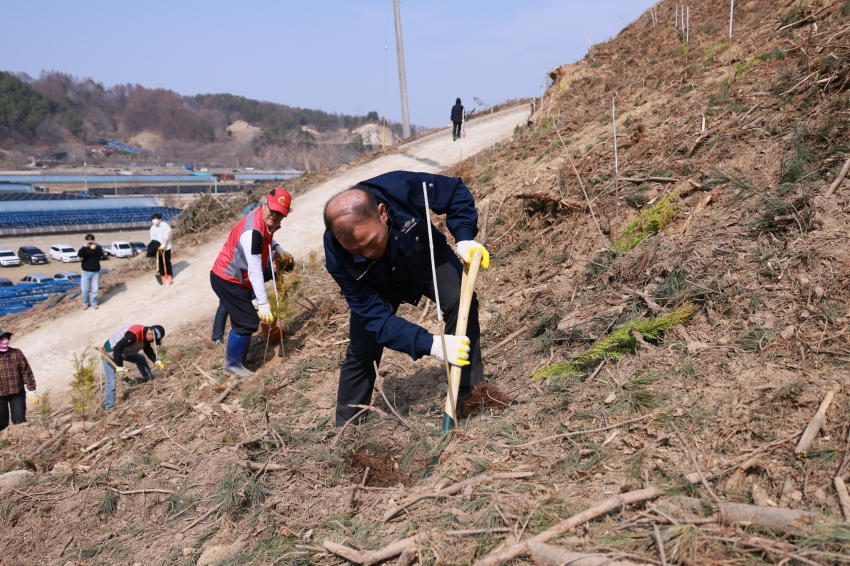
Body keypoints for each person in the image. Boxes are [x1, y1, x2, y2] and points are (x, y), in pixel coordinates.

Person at [323, 171, 489, 426]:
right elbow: (376, 319)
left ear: (382, 212)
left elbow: (454, 191)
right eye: (356, 251)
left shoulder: (401, 188)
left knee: (461, 302)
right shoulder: (335, 252)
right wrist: (431, 344)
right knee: (361, 350)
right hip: (375, 285)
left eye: (371, 241)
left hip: (426, 258)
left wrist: (464, 236)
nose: (368, 254)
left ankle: (468, 393)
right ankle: (348, 428)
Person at [210, 188, 293, 378]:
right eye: (272, 209)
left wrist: (276, 246)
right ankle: (233, 365)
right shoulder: (252, 232)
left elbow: (266, 237)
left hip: (235, 278)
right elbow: (256, 271)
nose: (275, 214)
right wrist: (263, 303)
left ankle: (239, 362)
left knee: (243, 319)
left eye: (280, 212)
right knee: (247, 320)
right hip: (228, 279)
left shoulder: (261, 221)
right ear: (263, 204)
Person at [210, 251, 294, 346]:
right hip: (234, 278)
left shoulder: (275, 267)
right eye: (279, 270)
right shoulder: (261, 261)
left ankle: (236, 336)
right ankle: (217, 337)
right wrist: (255, 300)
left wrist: (283, 307)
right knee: (224, 305)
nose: (279, 273)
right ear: (274, 263)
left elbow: (280, 288)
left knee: (237, 309)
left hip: (245, 283)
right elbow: (254, 279)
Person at [101, 325, 165, 411]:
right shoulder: (134, 335)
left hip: (124, 352)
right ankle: (108, 408)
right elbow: (117, 348)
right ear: (150, 333)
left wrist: (156, 360)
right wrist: (120, 366)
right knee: (111, 382)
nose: (153, 341)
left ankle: (150, 379)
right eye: (153, 339)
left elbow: (148, 350)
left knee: (140, 358)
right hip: (110, 354)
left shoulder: (145, 335)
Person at [0, 330, 38, 431]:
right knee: (1, 424)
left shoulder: (16, 353)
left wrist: (32, 389)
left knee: (19, 421)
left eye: (6, 338)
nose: (5, 341)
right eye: (1, 339)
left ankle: (22, 443)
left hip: (17, 393)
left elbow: (26, 371)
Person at [78, 233, 103, 310]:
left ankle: (94, 303)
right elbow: (79, 254)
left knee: (95, 289)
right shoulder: (84, 249)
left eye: (91, 240)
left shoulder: (97, 248)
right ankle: (85, 303)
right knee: (85, 290)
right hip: (86, 272)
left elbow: (100, 255)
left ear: (94, 240)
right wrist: (84, 247)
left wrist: (94, 248)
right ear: (86, 241)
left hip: (95, 272)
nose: (90, 241)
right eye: (88, 240)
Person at [150, 213, 173, 279]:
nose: (154, 220)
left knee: (166, 261)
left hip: (166, 247)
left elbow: (166, 235)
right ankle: (162, 275)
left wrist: (164, 244)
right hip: (157, 247)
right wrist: (155, 246)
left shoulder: (165, 225)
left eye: (155, 219)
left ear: (160, 219)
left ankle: (169, 274)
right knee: (159, 262)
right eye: (153, 219)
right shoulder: (152, 227)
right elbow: (152, 238)